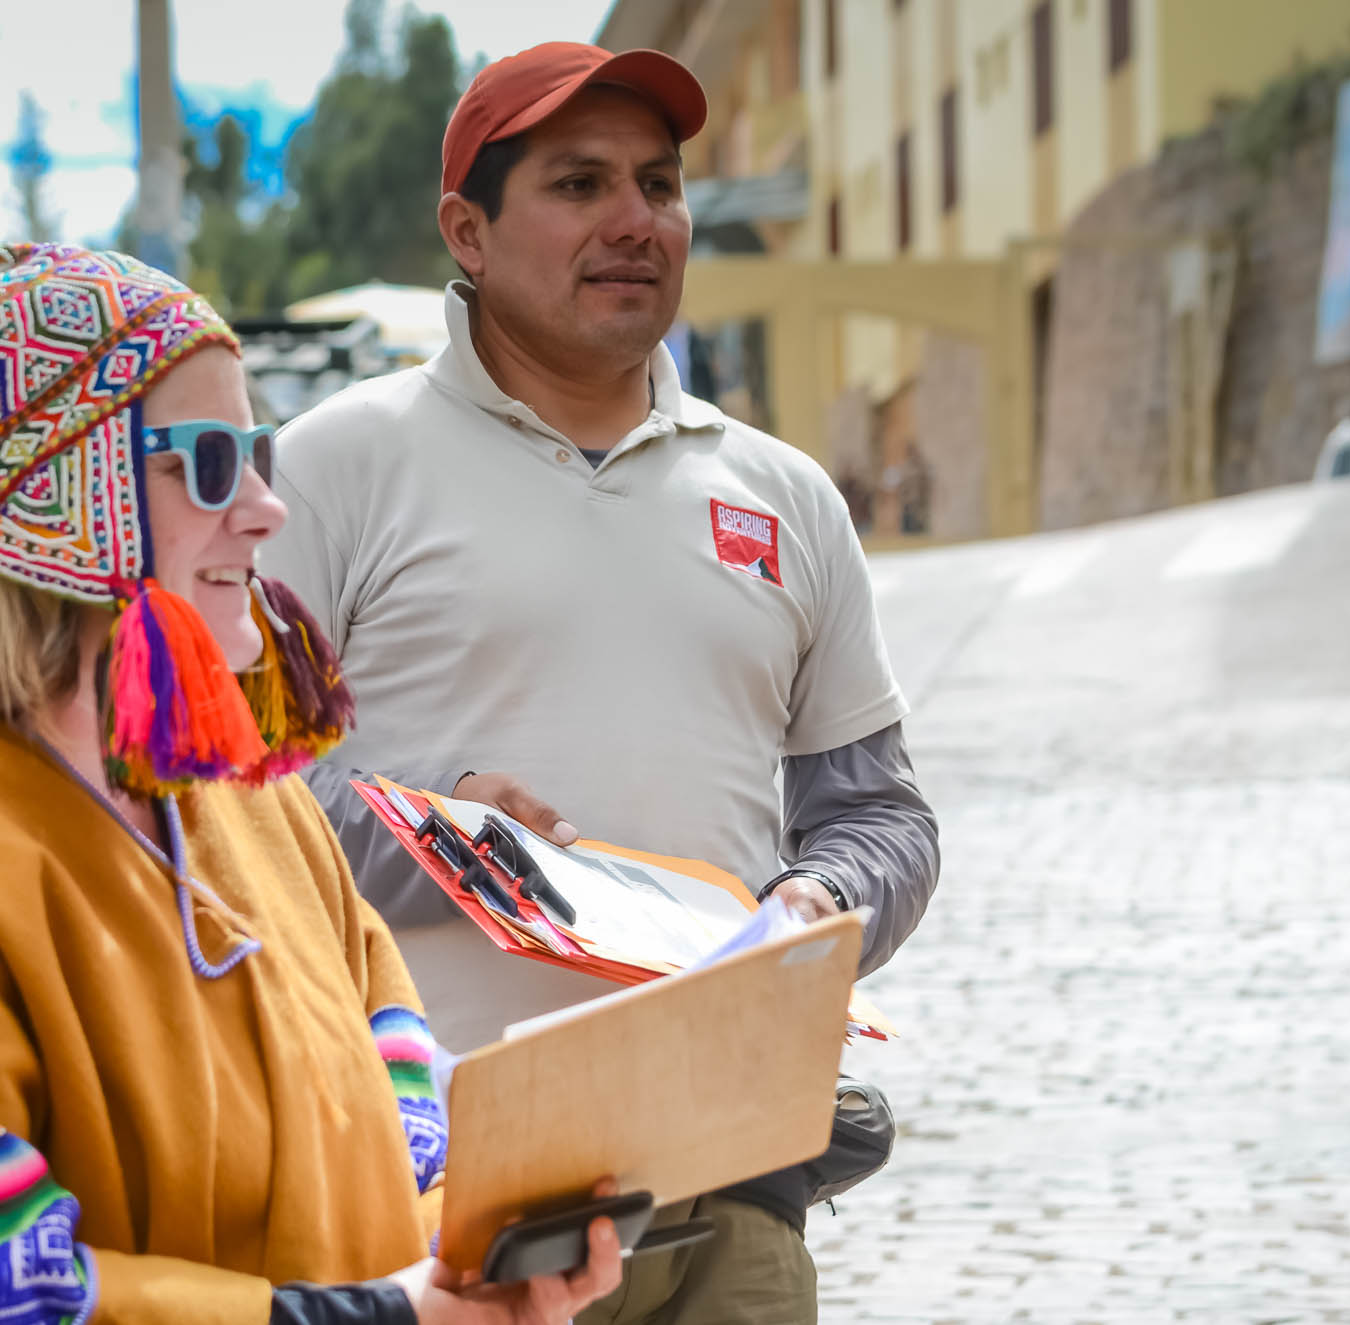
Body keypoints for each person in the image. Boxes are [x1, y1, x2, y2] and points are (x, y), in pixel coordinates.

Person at [0, 243, 621, 1325]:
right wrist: (376, 1318)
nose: (267, 508)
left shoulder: (251, 801)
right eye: (213, 462)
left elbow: (401, 1108)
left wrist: (494, 1248)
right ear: (64, 503)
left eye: (258, 453)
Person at [262, 43, 940, 1325]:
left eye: (660, 183)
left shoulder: (784, 493)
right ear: (466, 228)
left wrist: (818, 899)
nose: (637, 221)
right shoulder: (331, 468)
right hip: (432, 1207)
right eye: (579, 185)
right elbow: (214, 810)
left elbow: (884, 818)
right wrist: (439, 836)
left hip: (732, 1184)